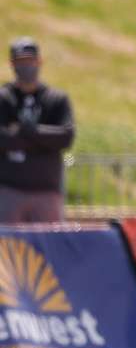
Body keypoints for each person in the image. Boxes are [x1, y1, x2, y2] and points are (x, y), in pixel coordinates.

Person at [0, 38, 75, 223]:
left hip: (47, 192)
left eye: (30, 61)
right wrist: (43, 142)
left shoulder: (56, 99)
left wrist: (26, 131)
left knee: (49, 248)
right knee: (8, 249)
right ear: (12, 64)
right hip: (9, 191)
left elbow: (65, 137)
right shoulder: (4, 98)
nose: (26, 67)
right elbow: (2, 139)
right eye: (21, 62)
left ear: (39, 62)